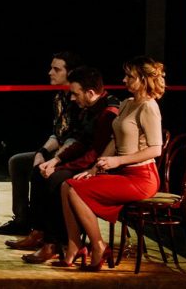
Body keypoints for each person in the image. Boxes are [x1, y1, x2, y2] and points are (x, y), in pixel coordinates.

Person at [58, 56, 165, 271]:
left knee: (76, 191)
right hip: (123, 173)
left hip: (142, 177)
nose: (124, 80)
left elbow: (156, 149)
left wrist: (117, 160)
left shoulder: (149, 107)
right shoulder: (127, 103)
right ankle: (75, 245)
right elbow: (114, 141)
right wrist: (94, 169)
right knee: (66, 186)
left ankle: (98, 245)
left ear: (143, 80)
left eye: (130, 76)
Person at [17, 66, 119, 263]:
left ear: (90, 93)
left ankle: (54, 243)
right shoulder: (88, 108)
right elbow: (80, 142)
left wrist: (59, 168)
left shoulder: (107, 113)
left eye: (75, 94)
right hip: (86, 162)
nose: (72, 98)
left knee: (55, 179)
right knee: (40, 172)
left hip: (100, 167)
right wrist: (55, 160)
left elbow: (94, 154)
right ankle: (39, 232)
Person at [0, 51, 82, 236]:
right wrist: (42, 151)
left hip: (74, 155)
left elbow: (76, 139)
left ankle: (43, 229)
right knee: (18, 162)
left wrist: (54, 159)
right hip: (61, 150)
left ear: (71, 73)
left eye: (56, 69)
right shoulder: (59, 97)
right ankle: (22, 220)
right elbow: (58, 134)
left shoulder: (78, 99)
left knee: (39, 171)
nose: (50, 73)